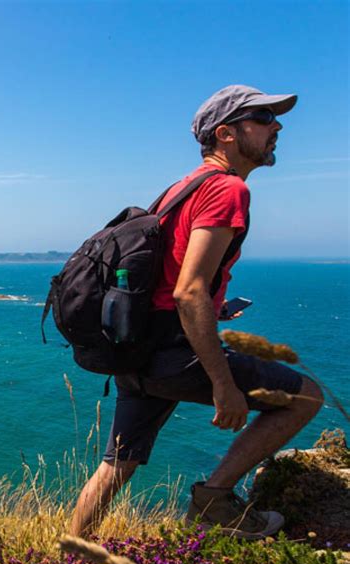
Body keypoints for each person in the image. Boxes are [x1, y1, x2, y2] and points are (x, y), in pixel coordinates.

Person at [69, 84, 323, 540]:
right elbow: (188, 292)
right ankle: (214, 500)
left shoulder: (180, 188)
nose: (277, 126)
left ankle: (68, 558)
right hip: (174, 351)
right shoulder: (226, 190)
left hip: (136, 346)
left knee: (117, 464)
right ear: (225, 133)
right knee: (305, 397)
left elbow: (167, 280)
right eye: (263, 118)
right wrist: (224, 386)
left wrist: (215, 307)